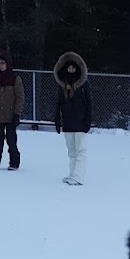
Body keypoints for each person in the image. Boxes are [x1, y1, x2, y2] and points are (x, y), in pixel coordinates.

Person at [54, 52, 92, 185]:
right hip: (68, 122)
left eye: (73, 68)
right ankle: (72, 175)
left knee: (81, 150)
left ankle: (78, 176)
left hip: (80, 122)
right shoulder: (63, 85)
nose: (71, 70)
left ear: (78, 69)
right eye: (69, 68)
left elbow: (89, 103)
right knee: (71, 151)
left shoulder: (83, 85)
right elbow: (58, 103)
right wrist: (57, 120)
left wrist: (88, 120)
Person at [0, 51, 24, 170]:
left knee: (11, 140)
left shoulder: (15, 78)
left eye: (3, 63)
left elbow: (20, 97)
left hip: (11, 114)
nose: (1, 65)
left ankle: (14, 162)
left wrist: (17, 114)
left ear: (8, 64)